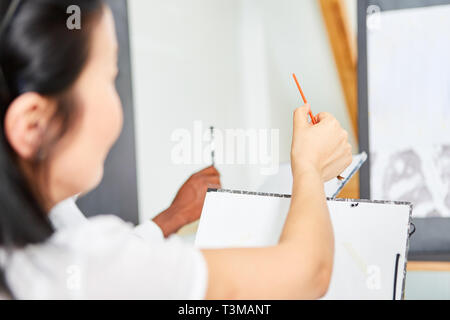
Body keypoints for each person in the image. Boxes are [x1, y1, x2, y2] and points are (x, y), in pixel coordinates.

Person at [0, 0, 352, 299]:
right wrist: (308, 166)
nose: (116, 108)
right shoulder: (70, 263)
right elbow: (309, 273)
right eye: (108, 78)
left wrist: (171, 217)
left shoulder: (48, 235)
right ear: (32, 125)